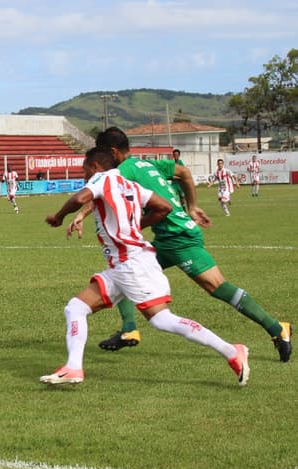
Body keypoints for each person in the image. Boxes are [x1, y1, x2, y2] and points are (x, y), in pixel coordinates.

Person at [75, 127, 290, 362]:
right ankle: (129, 329)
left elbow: (102, 190)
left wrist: (80, 214)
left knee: (216, 286)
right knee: (124, 270)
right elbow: (185, 173)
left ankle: (277, 329)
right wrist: (192, 207)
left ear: (113, 152)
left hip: (178, 237)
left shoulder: (123, 170)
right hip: (168, 238)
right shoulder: (147, 164)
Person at [42, 147, 250, 386]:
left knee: (162, 320)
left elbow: (80, 198)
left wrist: (59, 217)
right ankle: (73, 367)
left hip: (130, 265)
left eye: (85, 170)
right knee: (75, 308)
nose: (84, 175)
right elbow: (164, 207)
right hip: (129, 262)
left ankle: (232, 351)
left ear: (96, 166)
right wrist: (135, 227)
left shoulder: (103, 177)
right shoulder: (130, 185)